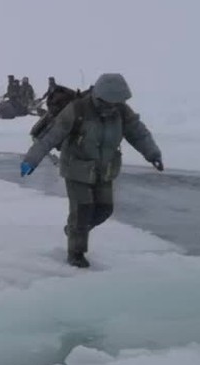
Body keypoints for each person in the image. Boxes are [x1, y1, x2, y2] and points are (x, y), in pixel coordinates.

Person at [20, 73, 163, 268]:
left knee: (104, 210)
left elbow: (138, 133)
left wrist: (153, 154)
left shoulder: (121, 111)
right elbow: (51, 136)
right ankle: (76, 254)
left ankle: (73, 231)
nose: (113, 107)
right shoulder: (77, 110)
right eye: (109, 103)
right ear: (100, 98)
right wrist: (31, 160)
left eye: (117, 103)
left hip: (104, 169)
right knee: (82, 211)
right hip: (76, 168)